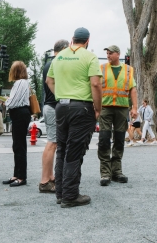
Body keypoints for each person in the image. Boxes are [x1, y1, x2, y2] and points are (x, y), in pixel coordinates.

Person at [46, 27, 102, 208]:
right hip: (82, 108)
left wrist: (61, 96)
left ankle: (61, 193)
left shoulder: (59, 56)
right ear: (87, 41)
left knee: (62, 149)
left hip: (61, 107)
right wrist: (98, 108)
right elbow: (95, 83)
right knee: (75, 151)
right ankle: (71, 195)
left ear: (72, 39)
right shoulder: (90, 57)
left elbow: (49, 81)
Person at [98, 44, 138, 186]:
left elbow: (133, 89)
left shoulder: (128, 70)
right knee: (103, 139)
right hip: (105, 108)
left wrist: (134, 107)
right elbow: (95, 87)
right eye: (107, 53)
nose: (108, 55)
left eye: (110, 53)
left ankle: (117, 171)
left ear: (118, 54)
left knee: (120, 139)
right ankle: (105, 173)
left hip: (122, 108)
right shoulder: (101, 68)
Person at [39, 39, 69, 194]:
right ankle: (44, 181)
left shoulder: (49, 64)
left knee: (54, 143)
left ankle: (50, 177)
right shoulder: (56, 63)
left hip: (49, 106)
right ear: (63, 49)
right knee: (52, 143)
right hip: (52, 106)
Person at [2, 61, 31, 187]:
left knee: (19, 146)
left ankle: (21, 177)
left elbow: (14, 102)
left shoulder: (20, 83)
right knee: (17, 145)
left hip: (20, 113)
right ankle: (17, 174)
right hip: (21, 113)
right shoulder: (23, 83)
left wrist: (5, 102)